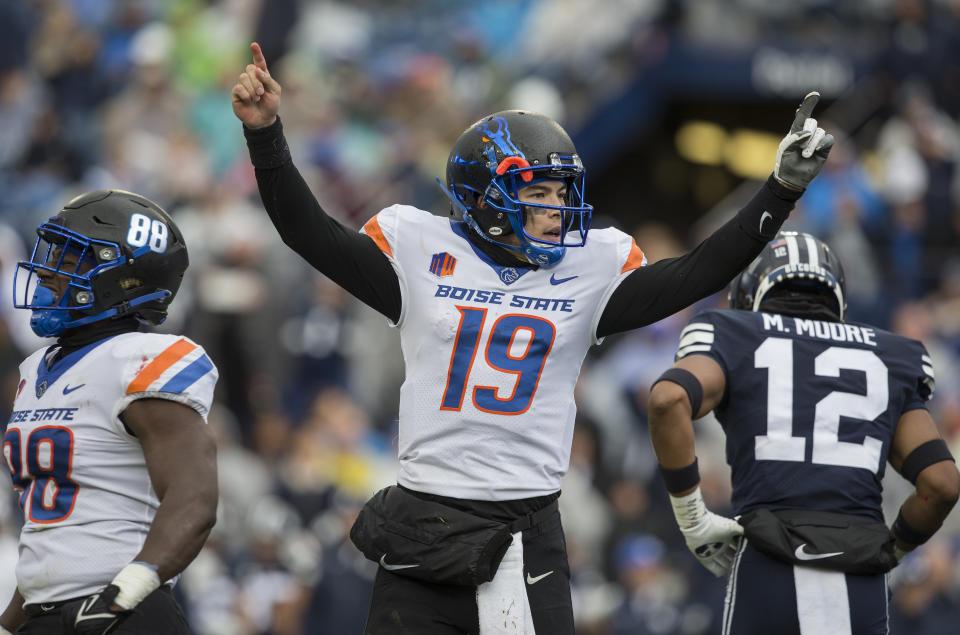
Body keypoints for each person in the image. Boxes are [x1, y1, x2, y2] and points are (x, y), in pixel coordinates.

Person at [231, 41, 834, 634]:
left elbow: (696, 272)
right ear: (484, 196)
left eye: (561, 192)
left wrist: (779, 190)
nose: (557, 208)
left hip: (524, 529)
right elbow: (308, 233)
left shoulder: (590, 269)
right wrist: (266, 136)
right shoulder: (421, 251)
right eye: (538, 192)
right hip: (423, 518)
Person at [647, 231, 960, 634]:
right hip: (860, 573)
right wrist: (895, 548)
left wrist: (693, 520)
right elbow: (942, 484)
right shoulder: (893, 354)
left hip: (770, 559)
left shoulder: (732, 332)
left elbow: (667, 400)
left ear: (752, 295)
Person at [0, 190, 219, 635]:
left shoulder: (144, 358)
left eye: (70, 257)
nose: (46, 269)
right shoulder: (34, 371)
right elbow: (54, 527)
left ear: (123, 275)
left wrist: (125, 592)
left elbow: (193, 498)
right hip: (47, 615)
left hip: (122, 610)